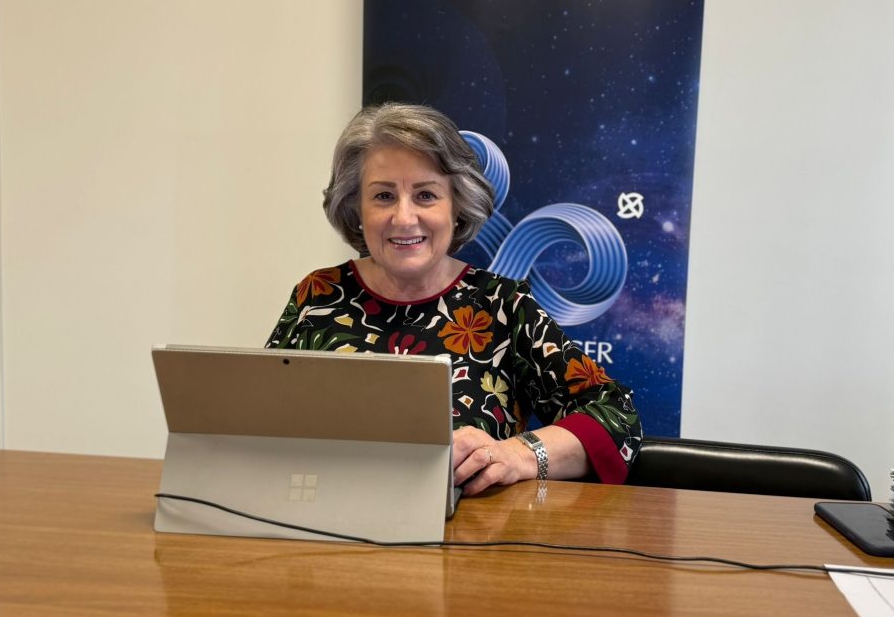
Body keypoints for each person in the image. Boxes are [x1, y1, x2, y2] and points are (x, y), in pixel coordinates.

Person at [266, 103, 642, 495]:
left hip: (470, 531)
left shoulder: (502, 305)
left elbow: (618, 417)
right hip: (326, 524)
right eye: (383, 196)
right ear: (356, 207)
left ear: (457, 207)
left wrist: (520, 453)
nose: (404, 218)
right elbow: (256, 422)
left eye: (426, 195)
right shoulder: (319, 295)